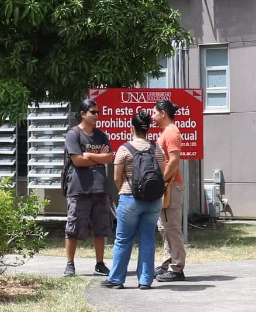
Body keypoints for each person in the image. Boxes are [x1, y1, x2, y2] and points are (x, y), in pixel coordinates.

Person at [102, 111, 163, 289]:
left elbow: (116, 178)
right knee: (147, 239)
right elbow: (162, 174)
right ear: (148, 129)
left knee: (123, 239)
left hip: (130, 199)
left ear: (131, 128)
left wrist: (124, 189)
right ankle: (145, 280)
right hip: (153, 200)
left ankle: (116, 279)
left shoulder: (124, 149)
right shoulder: (157, 149)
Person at [63, 97, 113, 278]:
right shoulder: (73, 134)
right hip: (79, 189)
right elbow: (77, 160)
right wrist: (98, 157)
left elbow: (109, 157)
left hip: (100, 188)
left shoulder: (101, 135)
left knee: (101, 228)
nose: (97, 115)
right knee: (73, 228)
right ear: (83, 114)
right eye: (93, 112)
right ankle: (70, 264)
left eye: (98, 112)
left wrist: (88, 154)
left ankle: (100, 264)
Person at [153, 98, 187, 282]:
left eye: (154, 113)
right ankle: (167, 263)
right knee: (165, 227)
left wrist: (162, 180)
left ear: (163, 113)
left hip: (171, 185)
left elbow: (173, 160)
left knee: (172, 228)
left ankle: (177, 268)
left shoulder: (172, 132)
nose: (152, 116)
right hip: (167, 185)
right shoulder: (166, 132)